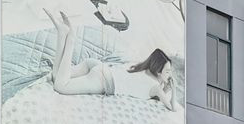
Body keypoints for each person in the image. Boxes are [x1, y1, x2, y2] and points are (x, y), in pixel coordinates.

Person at [44, 9, 176, 110]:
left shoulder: (143, 69)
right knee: (60, 86)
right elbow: (172, 107)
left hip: (99, 67)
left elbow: (160, 95)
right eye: (168, 71)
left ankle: (62, 34)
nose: (170, 75)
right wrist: (173, 90)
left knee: (58, 76)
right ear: (159, 71)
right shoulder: (156, 88)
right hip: (103, 80)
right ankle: (70, 38)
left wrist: (167, 88)